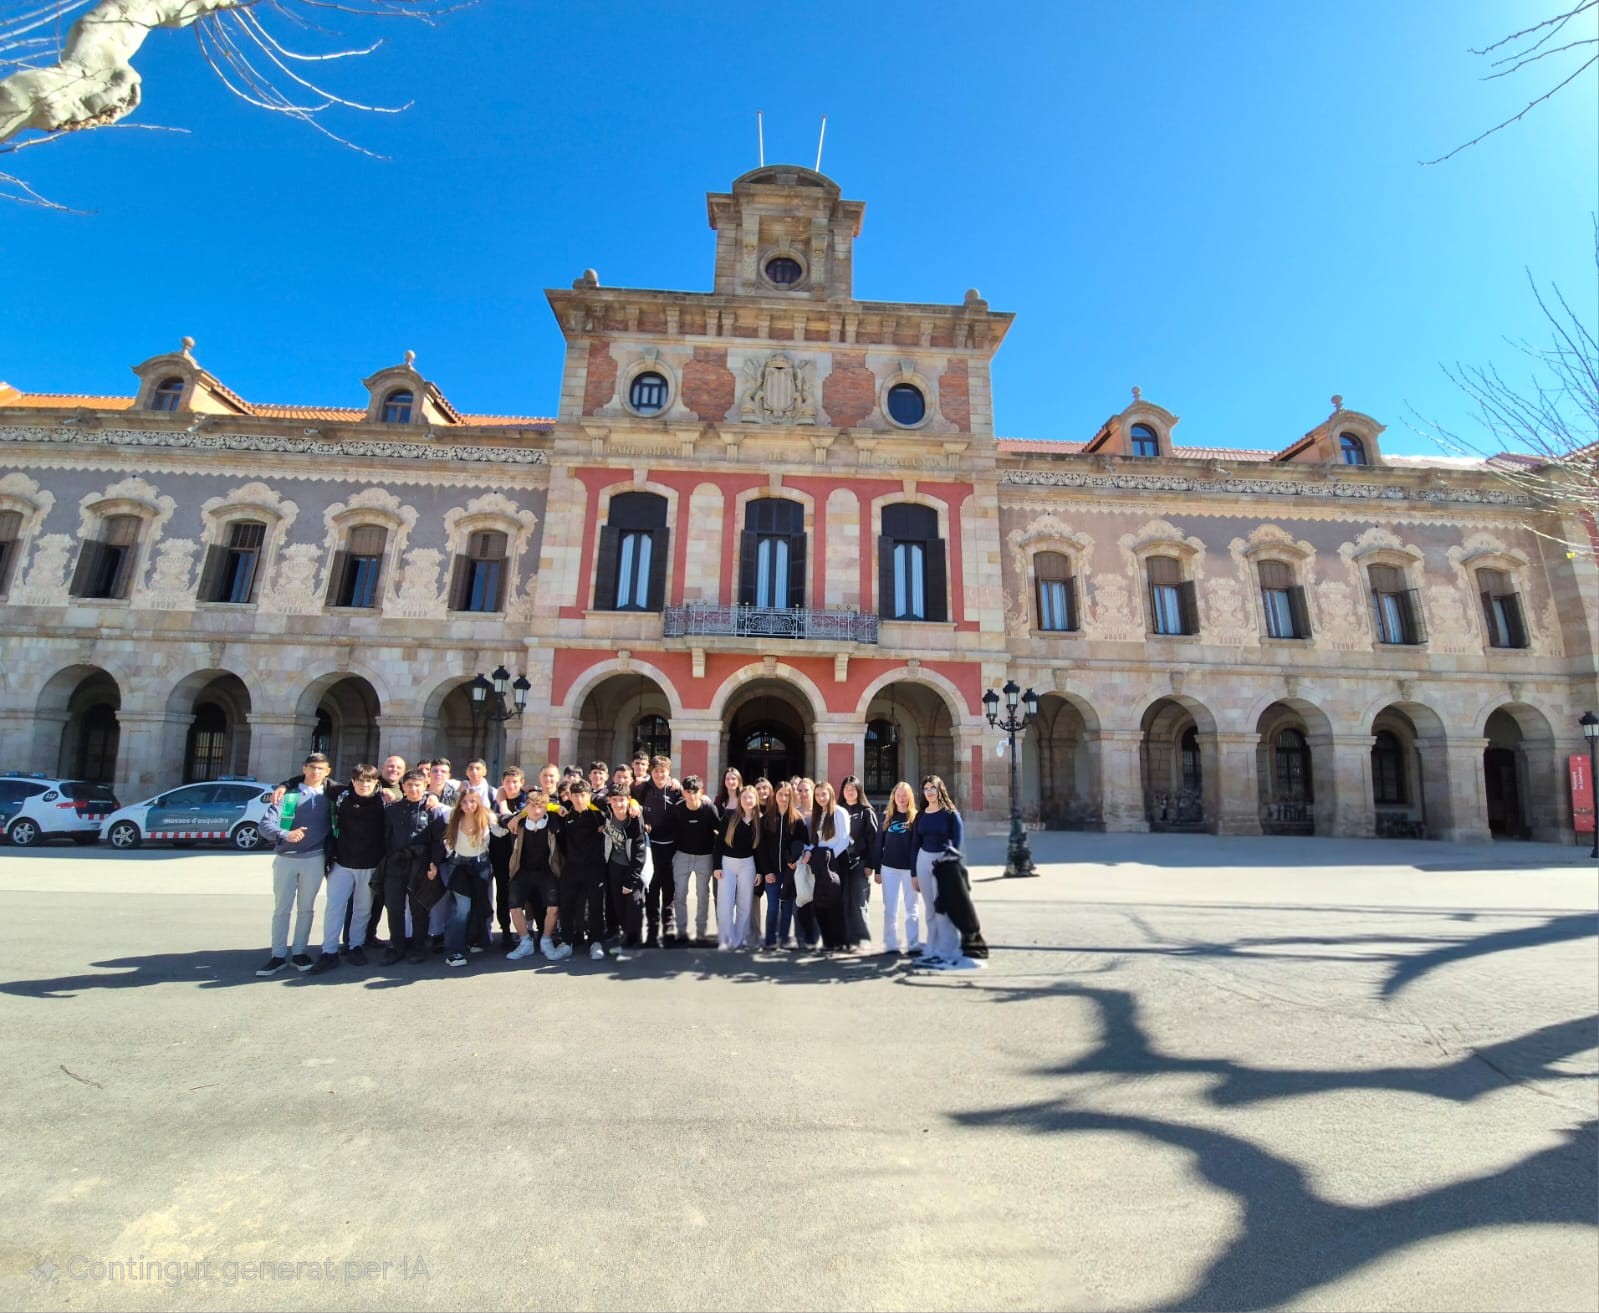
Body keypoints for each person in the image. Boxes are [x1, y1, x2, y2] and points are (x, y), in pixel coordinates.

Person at [256, 752, 336, 976]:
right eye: (312, 767)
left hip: (315, 858)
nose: (316, 772)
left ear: (328, 772)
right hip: (286, 858)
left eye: (320, 768)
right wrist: (285, 834)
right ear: (304, 768)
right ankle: (278, 955)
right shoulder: (288, 796)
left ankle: (300, 951)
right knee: (282, 909)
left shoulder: (330, 797)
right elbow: (265, 825)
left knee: (306, 908)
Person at [310, 763, 388, 973]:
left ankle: (356, 946)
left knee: (362, 909)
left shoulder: (383, 802)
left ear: (376, 783)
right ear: (352, 781)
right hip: (341, 863)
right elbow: (317, 776)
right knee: (334, 907)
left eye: (369, 781)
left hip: (369, 864)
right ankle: (329, 951)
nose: (364, 785)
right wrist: (285, 785)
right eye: (360, 781)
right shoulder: (342, 796)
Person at [428, 789, 504, 969]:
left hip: (480, 864)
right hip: (458, 865)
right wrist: (431, 797)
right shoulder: (452, 817)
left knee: (480, 903)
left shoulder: (487, 817)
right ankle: (454, 951)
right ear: (460, 803)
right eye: (465, 802)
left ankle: (474, 939)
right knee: (462, 908)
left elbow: (502, 831)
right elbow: (438, 808)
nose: (469, 806)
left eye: (473, 801)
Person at [377, 769, 441, 965]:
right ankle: (396, 946)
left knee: (419, 908)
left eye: (417, 785)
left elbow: (438, 840)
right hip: (396, 864)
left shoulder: (432, 810)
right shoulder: (392, 810)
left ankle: (419, 946)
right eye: (409, 785)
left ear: (425, 786)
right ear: (403, 787)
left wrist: (435, 863)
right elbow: (385, 837)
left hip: (421, 865)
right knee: (394, 907)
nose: (413, 789)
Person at [506, 787, 567, 961]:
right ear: (526, 807)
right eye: (533, 806)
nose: (537, 810)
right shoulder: (518, 823)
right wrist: (517, 817)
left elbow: (561, 809)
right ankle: (525, 942)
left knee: (553, 907)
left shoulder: (553, 822)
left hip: (547, 870)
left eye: (541, 806)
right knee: (514, 906)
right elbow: (501, 819)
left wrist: (556, 808)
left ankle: (546, 940)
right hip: (522, 870)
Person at [912, 775, 965, 968]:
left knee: (943, 908)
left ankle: (948, 951)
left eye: (932, 788)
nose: (929, 792)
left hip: (944, 862)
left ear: (939, 789)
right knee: (930, 909)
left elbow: (958, 844)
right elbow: (914, 845)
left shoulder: (951, 814)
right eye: (926, 789)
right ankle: (932, 949)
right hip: (923, 860)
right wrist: (914, 874)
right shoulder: (920, 815)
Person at [555, 778, 609, 960]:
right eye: (575, 796)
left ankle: (596, 942)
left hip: (594, 866)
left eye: (583, 795)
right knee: (566, 904)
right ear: (570, 796)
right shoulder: (565, 813)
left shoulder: (598, 814)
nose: (579, 799)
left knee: (595, 905)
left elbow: (621, 808)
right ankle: (566, 942)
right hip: (571, 866)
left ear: (589, 796)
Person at [666, 774, 719, 945]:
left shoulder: (709, 808)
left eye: (695, 791)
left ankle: (701, 932)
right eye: (688, 791)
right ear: (683, 792)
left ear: (701, 791)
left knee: (702, 894)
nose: (691, 795)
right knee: (680, 893)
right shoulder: (678, 809)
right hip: (682, 855)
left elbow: (719, 829)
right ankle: (682, 932)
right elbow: (669, 830)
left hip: (705, 856)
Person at [634, 755, 681, 947]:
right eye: (656, 771)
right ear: (650, 772)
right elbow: (631, 802)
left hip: (671, 847)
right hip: (650, 847)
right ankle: (652, 933)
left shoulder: (676, 790)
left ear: (668, 772)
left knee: (669, 890)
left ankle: (668, 932)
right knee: (651, 890)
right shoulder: (642, 789)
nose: (660, 775)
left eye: (663, 771)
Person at [874, 781, 922, 955]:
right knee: (890, 908)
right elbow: (878, 845)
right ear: (893, 797)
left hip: (910, 870)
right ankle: (891, 943)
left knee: (912, 908)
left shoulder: (916, 818)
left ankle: (913, 943)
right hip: (889, 869)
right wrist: (877, 870)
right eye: (898, 795)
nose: (901, 798)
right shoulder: (886, 817)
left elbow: (918, 846)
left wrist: (917, 872)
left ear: (910, 798)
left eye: (904, 795)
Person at [712, 785, 761, 950]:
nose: (747, 800)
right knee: (725, 903)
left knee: (744, 904)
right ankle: (726, 938)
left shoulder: (759, 821)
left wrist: (760, 872)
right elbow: (718, 844)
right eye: (744, 797)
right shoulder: (729, 817)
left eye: (750, 797)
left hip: (748, 865)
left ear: (756, 800)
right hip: (727, 863)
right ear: (740, 800)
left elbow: (759, 850)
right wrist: (717, 866)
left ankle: (740, 938)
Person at [807, 779, 853, 952]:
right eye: (817, 795)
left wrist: (830, 856)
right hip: (821, 861)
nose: (821, 798)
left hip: (836, 861)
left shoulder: (840, 812)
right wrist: (808, 851)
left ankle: (839, 942)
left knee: (836, 904)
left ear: (831, 794)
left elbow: (845, 839)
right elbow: (816, 840)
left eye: (823, 794)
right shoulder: (818, 814)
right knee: (820, 904)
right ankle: (828, 941)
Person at [602, 783, 647, 955]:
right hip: (614, 864)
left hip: (631, 866)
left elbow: (639, 854)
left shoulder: (634, 819)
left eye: (622, 800)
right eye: (614, 800)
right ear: (609, 801)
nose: (618, 804)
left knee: (633, 904)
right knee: (618, 903)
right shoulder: (607, 812)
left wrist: (631, 880)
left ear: (628, 800)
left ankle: (635, 940)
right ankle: (626, 937)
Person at [489, 766, 529, 949]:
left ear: (522, 782)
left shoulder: (527, 799)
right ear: (502, 783)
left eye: (515, 782)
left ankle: (529, 931)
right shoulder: (495, 801)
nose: (511, 786)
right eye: (507, 782)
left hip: (525, 855)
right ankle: (506, 931)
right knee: (503, 894)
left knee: (528, 894)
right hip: (501, 855)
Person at [759, 779, 801, 949]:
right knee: (773, 907)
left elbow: (802, 843)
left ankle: (784, 938)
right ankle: (770, 939)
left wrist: (795, 861)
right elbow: (761, 848)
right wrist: (767, 871)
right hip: (772, 873)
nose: (783, 798)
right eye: (780, 794)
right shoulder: (766, 819)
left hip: (790, 872)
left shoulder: (797, 819)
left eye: (787, 795)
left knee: (787, 907)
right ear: (774, 795)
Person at [839, 775, 878, 949]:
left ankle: (862, 938)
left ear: (859, 791)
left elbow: (874, 841)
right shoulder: (837, 810)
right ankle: (847, 940)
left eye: (853, 788)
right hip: (840, 864)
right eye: (847, 788)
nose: (850, 791)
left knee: (859, 902)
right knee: (843, 902)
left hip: (860, 863)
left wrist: (870, 865)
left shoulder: (866, 812)